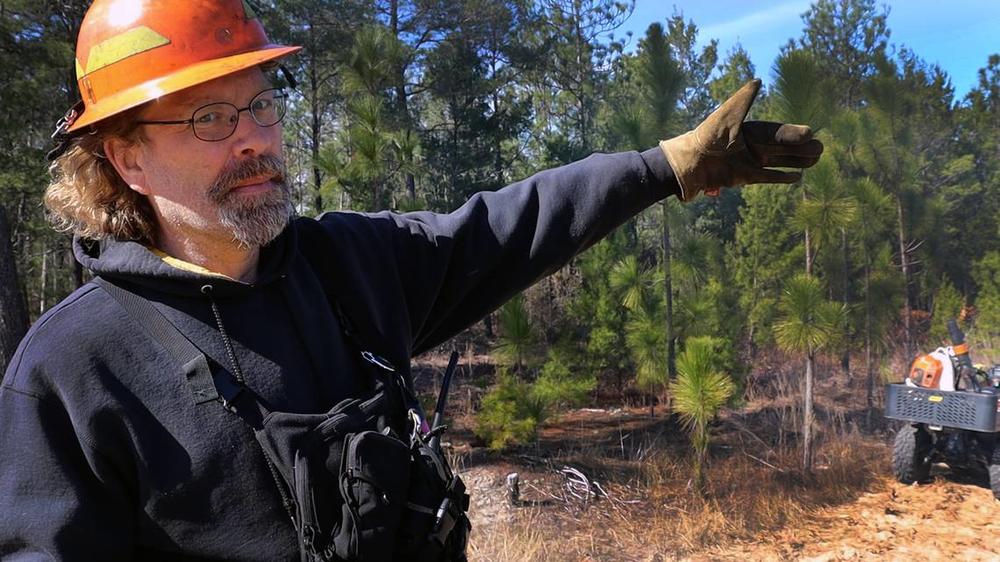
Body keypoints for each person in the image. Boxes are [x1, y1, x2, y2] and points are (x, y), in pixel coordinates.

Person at [0, 0, 823, 560]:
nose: (254, 139)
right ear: (125, 156)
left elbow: (510, 226)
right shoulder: (71, 374)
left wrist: (663, 167)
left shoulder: (348, 270)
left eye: (260, 105)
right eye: (209, 118)